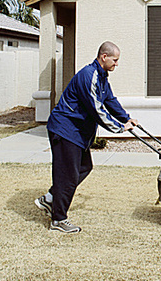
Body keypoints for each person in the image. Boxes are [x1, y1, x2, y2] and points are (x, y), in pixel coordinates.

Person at [35, 41, 138, 233]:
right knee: (68, 174)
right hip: (66, 130)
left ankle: (50, 199)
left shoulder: (101, 76)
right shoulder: (89, 76)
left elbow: (109, 100)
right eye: (115, 60)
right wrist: (119, 128)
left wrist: (126, 118)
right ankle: (58, 220)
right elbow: (96, 110)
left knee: (84, 167)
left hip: (76, 132)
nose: (117, 64)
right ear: (104, 57)